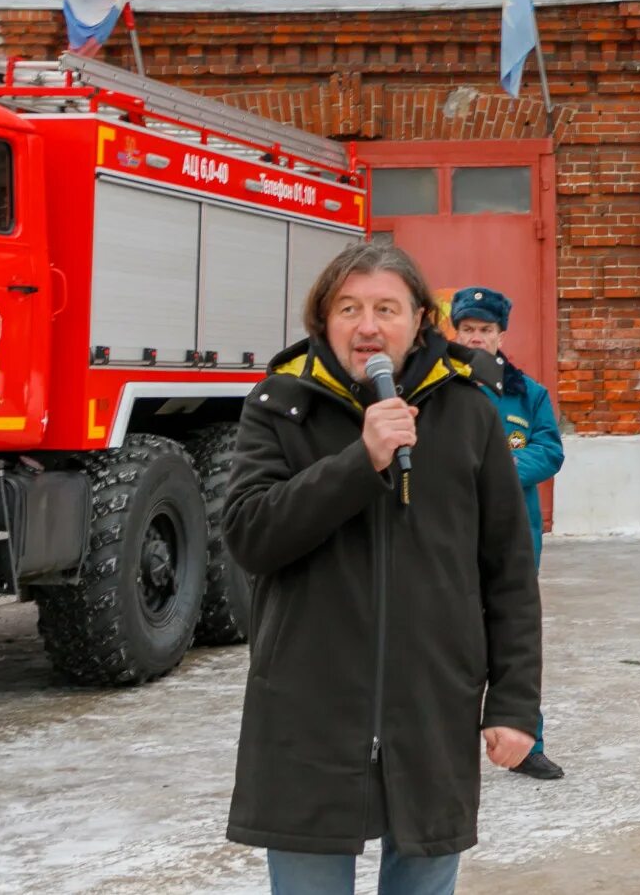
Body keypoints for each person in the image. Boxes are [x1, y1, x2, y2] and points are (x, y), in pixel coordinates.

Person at [222, 241, 541, 895]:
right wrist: (358, 460)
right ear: (324, 317)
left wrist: (513, 701)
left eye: (386, 307)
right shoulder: (280, 405)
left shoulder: (469, 409)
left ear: (420, 318)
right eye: (349, 307)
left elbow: (506, 568)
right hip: (307, 709)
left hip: (433, 704)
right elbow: (252, 535)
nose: (368, 324)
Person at [446, 286, 567, 781]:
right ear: (455, 332)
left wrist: (498, 469)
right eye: (468, 329)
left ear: (501, 335)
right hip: (449, 537)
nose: (476, 338)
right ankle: (448, 743)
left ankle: (526, 740)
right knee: (449, 637)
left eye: (486, 330)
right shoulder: (437, 388)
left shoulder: (527, 394)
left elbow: (550, 450)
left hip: (514, 538)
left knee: (513, 636)